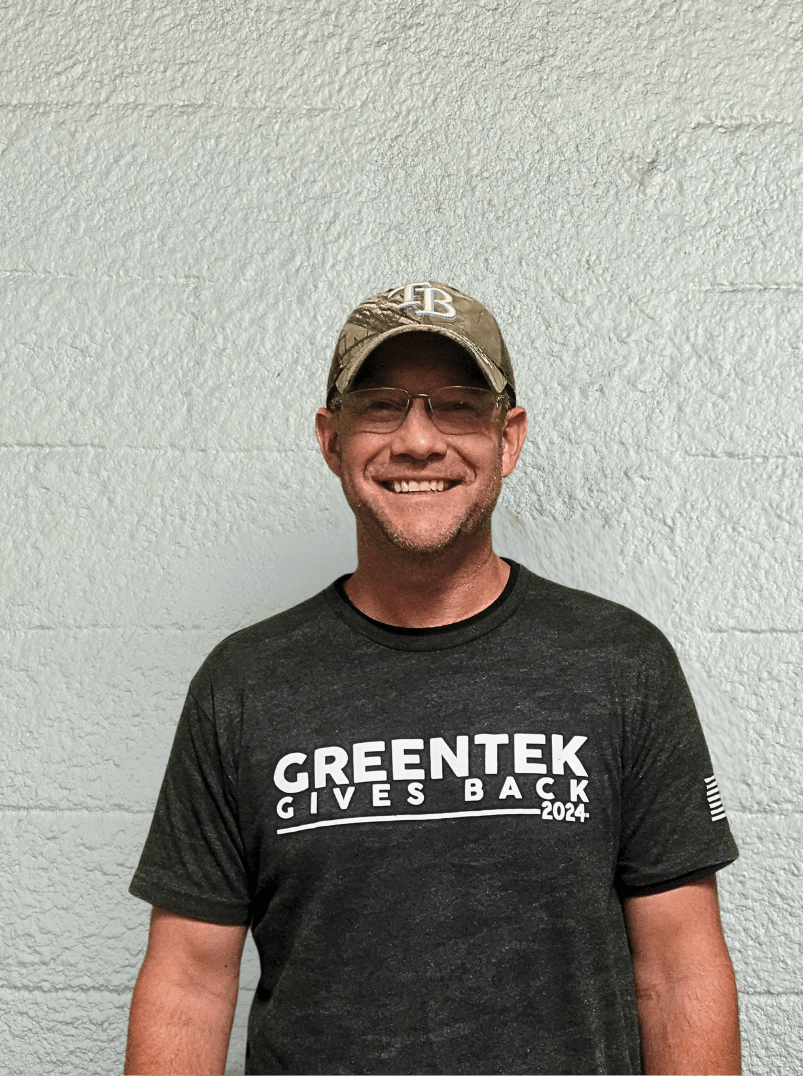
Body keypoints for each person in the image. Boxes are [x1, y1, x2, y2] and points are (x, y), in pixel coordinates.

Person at [125, 282, 741, 1075]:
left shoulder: (621, 665)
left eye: (456, 406)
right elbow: (189, 981)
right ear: (332, 440)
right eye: (381, 406)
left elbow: (679, 968)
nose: (417, 441)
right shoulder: (243, 685)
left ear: (508, 438)